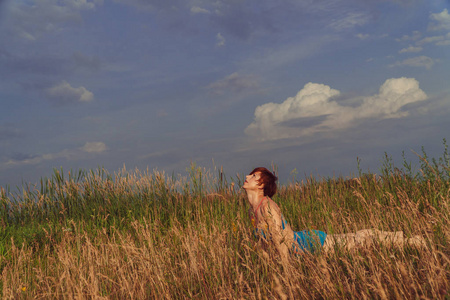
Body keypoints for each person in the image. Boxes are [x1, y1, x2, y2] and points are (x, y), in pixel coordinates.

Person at [243, 167, 426, 261]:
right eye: (250, 175)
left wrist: (287, 275)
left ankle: (412, 241)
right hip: (302, 247)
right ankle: (405, 239)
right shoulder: (253, 210)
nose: (247, 177)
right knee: (359, 240)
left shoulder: (267, 207)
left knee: (361, 241)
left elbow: (281, 243)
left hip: (310, 244)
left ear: (260, 186)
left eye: (253, 176)